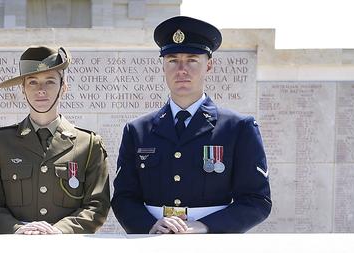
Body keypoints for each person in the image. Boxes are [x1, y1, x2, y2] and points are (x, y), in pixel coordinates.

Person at [111, 16, 271, 234]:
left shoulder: (238, 128)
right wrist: (149, 225)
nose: (182, 69)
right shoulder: (137, 130)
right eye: (173, 60)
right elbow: (124, 198)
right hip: (153, 240)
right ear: (163, 66)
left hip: (213, 242)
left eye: (192, 60)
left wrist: (205, 226)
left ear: (209, 65)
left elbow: (256, 200)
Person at [0, 46, 110, 234]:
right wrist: (18, 229)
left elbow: (97, 206)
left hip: (67, 249)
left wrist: (60, 230)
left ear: (63, 88)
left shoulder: (88, 144)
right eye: (32, 82)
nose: (41, 90)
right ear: (22, 89)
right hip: (15, 248)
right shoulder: (0, 142)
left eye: (49, 81)